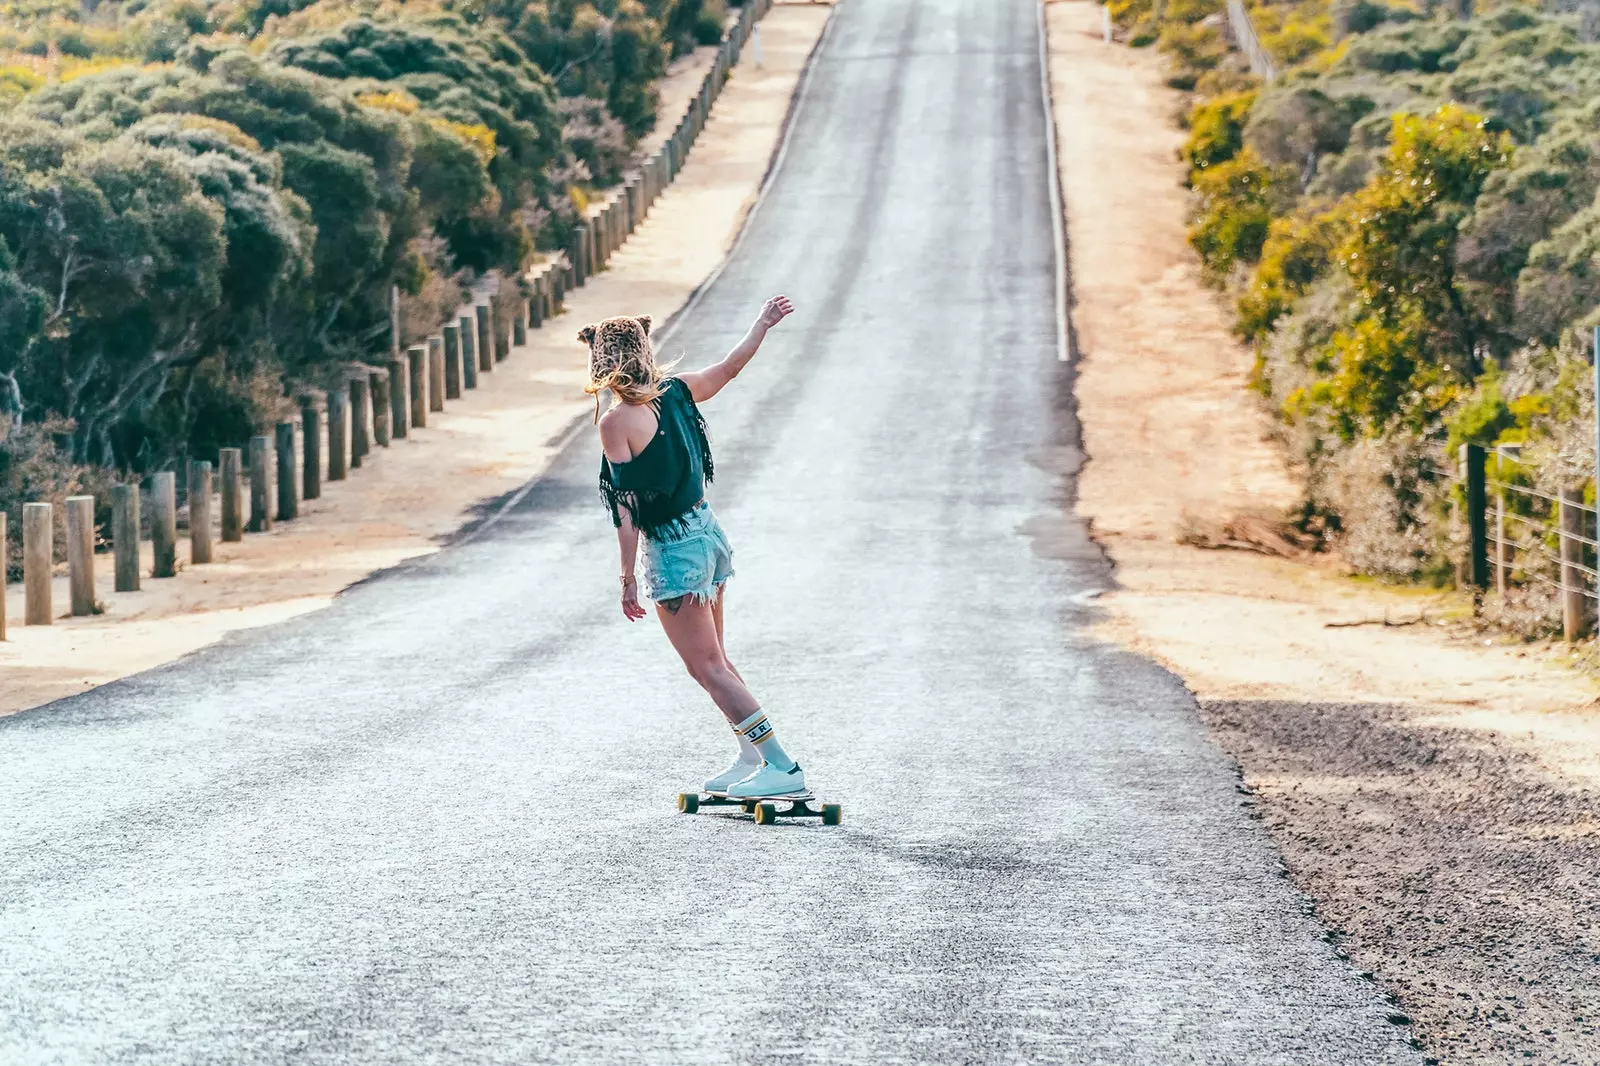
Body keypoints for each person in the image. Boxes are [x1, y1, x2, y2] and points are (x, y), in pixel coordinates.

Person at [582, 296, 803, 799]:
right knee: (717, 661)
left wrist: (626, 576)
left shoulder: (615, 422)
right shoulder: (677, 392)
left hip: (675, 549)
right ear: (642, 350)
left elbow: (628, 506)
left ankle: (783, 767)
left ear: (601, 363)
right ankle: (752, 754)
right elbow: (728, 368)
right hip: (706, 532)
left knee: (706, 667)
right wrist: (760, 324)